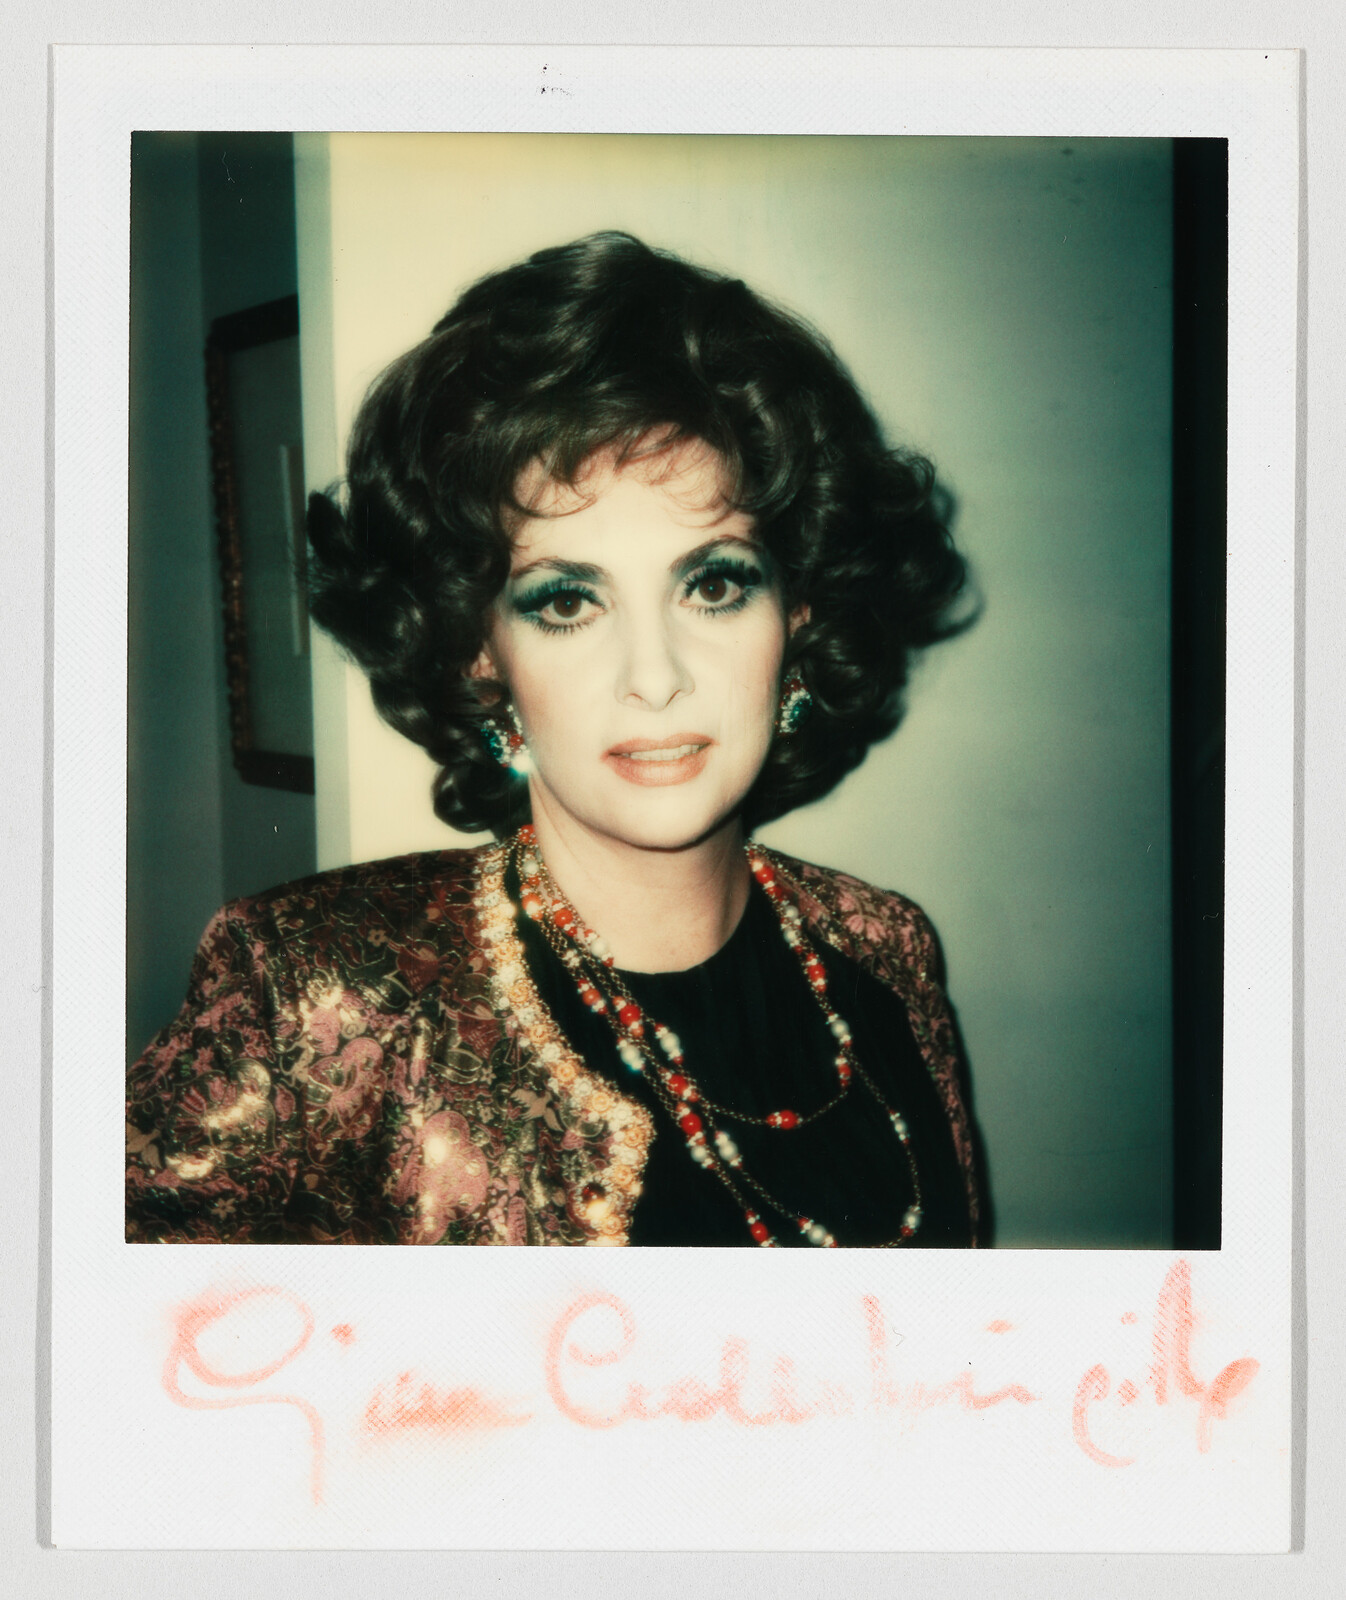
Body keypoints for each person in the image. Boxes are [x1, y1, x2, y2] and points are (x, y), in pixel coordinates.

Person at [126, 231, 981, 1248]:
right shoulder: (316, 997)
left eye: (713, 584)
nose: (654, 677)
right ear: (477, 650)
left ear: (797, 615)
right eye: (567, 600)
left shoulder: (883, 950)